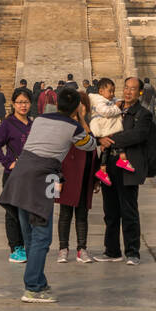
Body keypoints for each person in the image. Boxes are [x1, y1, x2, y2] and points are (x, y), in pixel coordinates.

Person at [0, 86, 98, 303]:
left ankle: (38, 281)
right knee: (42, 236)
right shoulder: (74, 127)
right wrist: (80, 117)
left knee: (30, 235)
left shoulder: (40, 120)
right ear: (76, 108)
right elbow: (90, 145)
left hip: (20, 176)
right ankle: (32, 288)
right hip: (42, 179)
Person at [95, 76, 155, 266]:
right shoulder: (114, 109)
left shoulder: (143, 114)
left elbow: (137, 135)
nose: (128, 92)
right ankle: (112, 250)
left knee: (129, 211)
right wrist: (99, 139)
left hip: (128, 167)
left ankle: (132, 252)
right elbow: (97, 127)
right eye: (126, 88)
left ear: (139, 93)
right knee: (110, 211)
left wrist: (110, 138)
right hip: (109, 165)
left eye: (133, 89)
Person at [0, 88, 33, 263]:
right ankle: (16, 247)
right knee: (12, 211)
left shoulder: (33, 124)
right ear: (13, 104)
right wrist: (7, 162)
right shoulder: (7, 124)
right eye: (19, 102)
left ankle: (28, 244)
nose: (23, 106)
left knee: (29, 211)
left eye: (26, 102)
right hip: (12, 174)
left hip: (30, 175)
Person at [57, 91, 99, 265]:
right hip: (66, 173)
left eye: (82, 103)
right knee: (65, 213)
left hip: (84, 173)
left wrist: (81, 118)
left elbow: (91, 142)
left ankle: (82, 249)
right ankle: (63, 248)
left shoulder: (87, 123)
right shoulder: (63, 124)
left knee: (82, 214)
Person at [88, 78, 131, 184]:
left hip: (106, 127)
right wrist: (116, 107)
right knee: (113, 142)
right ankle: (122, 159)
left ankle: (103, 171)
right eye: (110, 91)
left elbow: (114, 101)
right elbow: (105, 111)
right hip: (102, 128)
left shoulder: (106, 99)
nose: (112, 94)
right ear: (101, 91)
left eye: (113, 91)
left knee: (106, 150)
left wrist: (118, 102)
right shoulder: (98, 101)